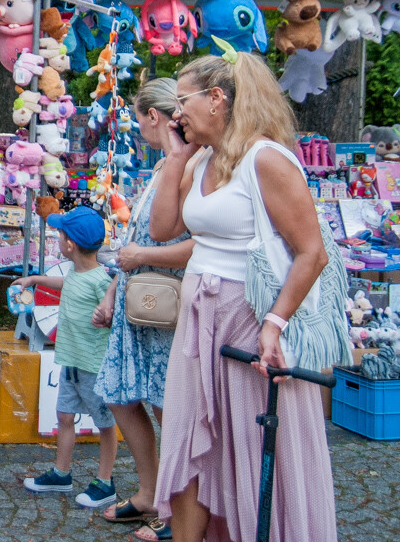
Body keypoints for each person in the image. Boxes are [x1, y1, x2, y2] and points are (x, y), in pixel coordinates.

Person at [148, 51, 337, 542]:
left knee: (251, 449)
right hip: (198, 324)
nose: (175, 113)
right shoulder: (203, 158)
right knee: (191, 444)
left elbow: (311, 253)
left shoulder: (266, 159)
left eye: (182, 100)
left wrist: (275, 323)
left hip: (246, 324)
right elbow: (163, 228)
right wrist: (175, 157)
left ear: (217, 99)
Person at [91, 79, 195, 540]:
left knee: (164, 406)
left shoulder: (189, 166)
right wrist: (115, 287)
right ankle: (151, 490)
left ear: (155, 117)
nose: (135, 128)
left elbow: (200, 243)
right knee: (118, 392)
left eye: (137, 118)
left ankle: (174, 507)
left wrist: (142, 260)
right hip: (139, 300)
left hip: (164, 304)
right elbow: (139, 234)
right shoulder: (162, 167)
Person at [16, 206, 118, 509]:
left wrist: (107, 314)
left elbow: (112, 311)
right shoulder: (76, 271)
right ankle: (62, 472)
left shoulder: (101, 280)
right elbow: (66, 285)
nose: (58, 238)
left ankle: (105, 481)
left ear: (70, 244)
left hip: (93, 366)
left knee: (105, 423)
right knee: (64, 416)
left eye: (60, 234)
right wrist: (35, 280)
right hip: (71, 364)